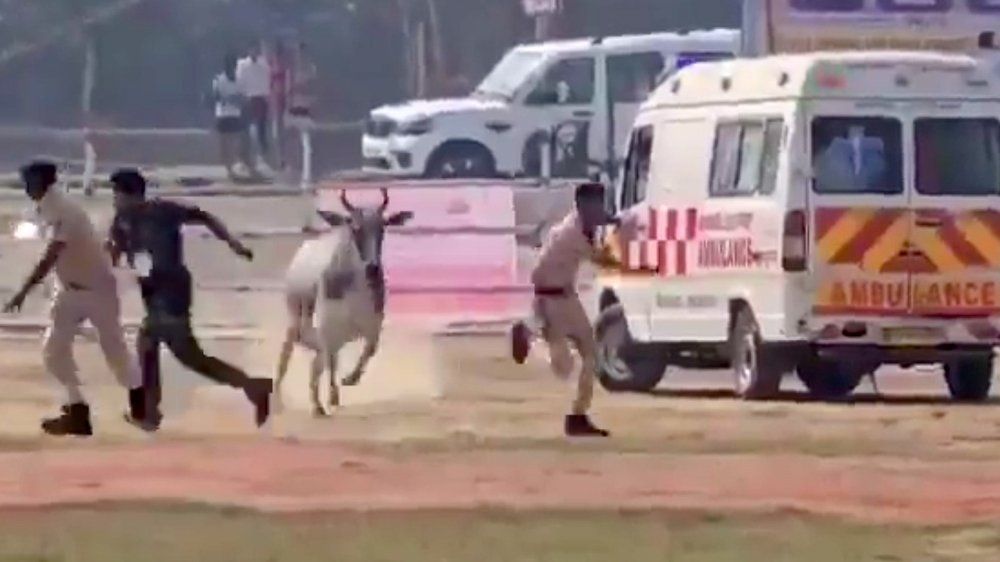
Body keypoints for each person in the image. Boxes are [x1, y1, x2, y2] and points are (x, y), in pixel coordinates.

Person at [106, 169, 272, 430]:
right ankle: (252, 386)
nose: (114, 200)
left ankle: (151, 412)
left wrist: (232, 243)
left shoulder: (163, 211)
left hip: (172, 288)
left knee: (157, 344)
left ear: (131, 195)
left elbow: (204, 217)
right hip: (151, 290)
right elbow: (114, 248)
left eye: (117, 194)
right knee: (178, 353)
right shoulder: (121, 221)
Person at [3, 161, 146, 437]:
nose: (26, 187)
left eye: (29, 181)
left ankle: (141, 406)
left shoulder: (65, 210)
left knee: (114, 350)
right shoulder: (47, 206)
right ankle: (77, 411)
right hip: (68, 290)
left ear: (43, 182)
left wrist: (24, 291)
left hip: (98, 289)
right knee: (54, 351)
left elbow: (51, 255)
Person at [509, 182, 619, 437]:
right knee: (569, 365)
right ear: (582, 206)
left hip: (558, 296)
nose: (598, 210)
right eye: (595, 205)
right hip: (556, 298)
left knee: (582, 358)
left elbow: (602, 223)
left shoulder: (577, 224)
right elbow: (603, 259)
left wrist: (615, 221)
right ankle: (528, 331)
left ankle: (531, 328)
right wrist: (639, 263)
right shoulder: (573, 233)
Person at [212, 53, 253, 180]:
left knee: (234, 143)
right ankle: (228, 169)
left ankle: (233, 166)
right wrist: (228, 98)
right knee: (225, 144)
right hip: (223, 115)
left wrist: (237, 100)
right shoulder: (219, 79)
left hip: (235, 115)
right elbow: (216, 97)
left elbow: (243, 97)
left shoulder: (239, 80)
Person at [236, 40, 273, 169]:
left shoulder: (264, 63)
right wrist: (242, 95)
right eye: (252, 49)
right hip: (248, 98)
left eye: (256, 49)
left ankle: (262, 156)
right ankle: (244, 159)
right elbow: (240, 81)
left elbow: (268, 80)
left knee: (261, 130)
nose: (254, 52)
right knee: (245, 131)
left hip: (261, 98)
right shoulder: (242, 64)